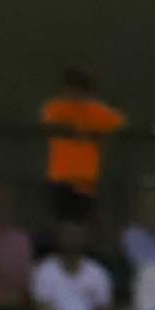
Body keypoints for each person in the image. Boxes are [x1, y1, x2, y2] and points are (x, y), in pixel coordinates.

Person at [38, 65, 124, 216]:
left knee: (82, 220)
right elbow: (48, 124)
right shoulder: (55, 107)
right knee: (61, 218)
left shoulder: (95, 109)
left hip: (86, 178)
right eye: (70, 87)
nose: (73, 93)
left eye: (77, 87)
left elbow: (116, 125)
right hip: (61, 176)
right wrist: (74, 130)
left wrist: (94, 134)